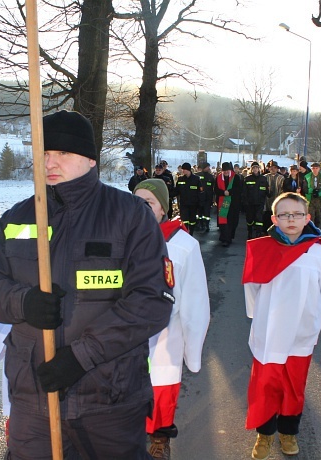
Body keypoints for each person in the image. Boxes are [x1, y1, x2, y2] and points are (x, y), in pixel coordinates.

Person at [0, 110, 175, 460]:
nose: (50, 162)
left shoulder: (129, 215)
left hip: (109, 400)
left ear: (90, 159)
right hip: (34, 400)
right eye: (44, 153)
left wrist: (81, 357)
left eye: (62, 153)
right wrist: (22, 303)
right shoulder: (18, 217)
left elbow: (152, 301)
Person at [241, 192, 321, 459]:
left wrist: (316, 316)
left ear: (307, 218)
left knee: (293, 385)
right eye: (284, 214)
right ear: (274, 218)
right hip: (269, 331)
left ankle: (288, 431)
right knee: (266, 384)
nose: (291, 219)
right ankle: (265, 433)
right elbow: (252, 288)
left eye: (296, 214)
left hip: (301, 332)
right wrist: (256, 316)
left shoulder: (319, 251)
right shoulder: (262, 248)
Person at [133, 179, 210, 460]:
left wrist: (193, 350)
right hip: (126, 335)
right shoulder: (118, 238)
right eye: (136, 201)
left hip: (166, 335)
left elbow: (195, 298)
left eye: (149, 203)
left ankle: (160, 438)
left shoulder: (183, 245)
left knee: (162, 391)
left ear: (163, 210)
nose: (141, 208)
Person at [214, 161, 243, 247]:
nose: (226, 172)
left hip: (233, 203)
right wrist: (223, 192)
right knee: (223, 222)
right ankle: (225, 238)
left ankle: (229, 236)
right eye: (224, 171)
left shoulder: (236, 177)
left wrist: (229, 192)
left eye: (227, 170)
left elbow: (238, 189)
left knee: (231, 221)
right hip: (222, 202)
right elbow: (216, 189)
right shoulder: (218, 178)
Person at [173, 162, 203, 235]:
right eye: (182, 169)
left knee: (192, 220)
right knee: (184, 220)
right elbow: (177, 191)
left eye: (184, 169)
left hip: (193, 204)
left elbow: (201, 191)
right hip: (183, 204)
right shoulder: (180, 179)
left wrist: (200, 203)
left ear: (188, 170)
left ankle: (191, 233)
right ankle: (186, 233)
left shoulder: (196, 179)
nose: (183, 171)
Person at [242, 162, 270, 239]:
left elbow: (267, 190)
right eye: (253, 168)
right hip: (250, 203)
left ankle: (258, 233)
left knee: (259, 219)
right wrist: (245, 202)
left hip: (260, 203)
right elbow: (244, 192)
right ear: (251, 169)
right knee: (250, 219)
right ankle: (250, 232)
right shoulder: (247, 179)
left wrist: (269, 193)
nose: (255, 169)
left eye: (256, 168)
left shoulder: (263, 179)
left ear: (259, 169)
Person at [304, 162, 321, 227]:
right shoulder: (307, 176)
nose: (315, 170)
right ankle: (311, 229)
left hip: (320, 199)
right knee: (310, 216)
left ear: (319, 168)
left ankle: (319, 230)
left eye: (316, 168)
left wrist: (319, 193)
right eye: (313, 168)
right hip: (310, 198)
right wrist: (311, 191)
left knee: (319, 216)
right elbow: (304, 188)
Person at [263, 161, 284, 230]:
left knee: (275, 216)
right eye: (271, 167)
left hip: (277, 200)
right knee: (266, 217)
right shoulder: (264, 177)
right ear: (269, 168)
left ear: (277, 169)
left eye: (275, 168)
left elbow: (282, 190)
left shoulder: (281, 178)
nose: (273, 169)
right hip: (266, 201)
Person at [195, 162, 215, 233]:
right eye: (207, 167)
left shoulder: (211, 177)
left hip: (208, 198)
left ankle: (206, 225)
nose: (208, 168)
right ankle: (199, 224)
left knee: (207, 213)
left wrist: (213, 198)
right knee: (199, 212)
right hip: (199, 198)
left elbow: (213, 188)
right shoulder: (197, 176)